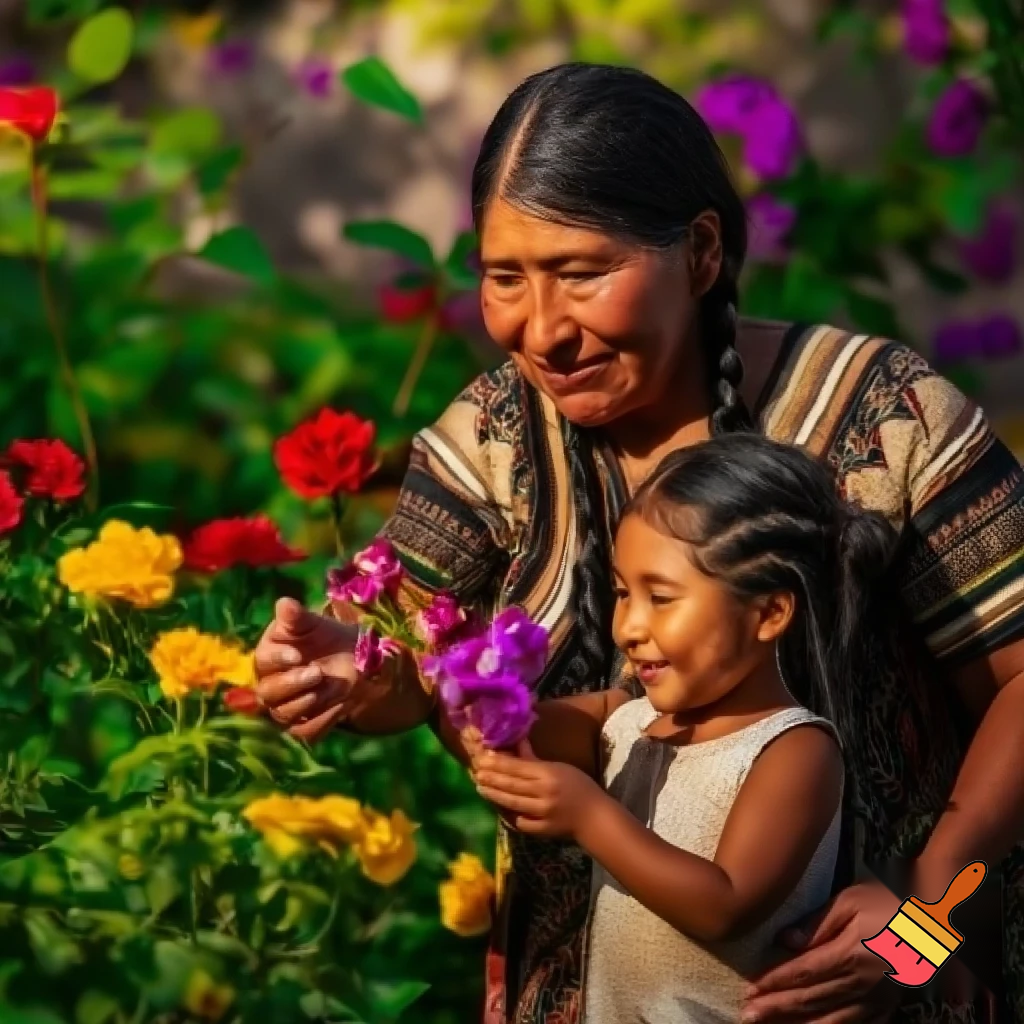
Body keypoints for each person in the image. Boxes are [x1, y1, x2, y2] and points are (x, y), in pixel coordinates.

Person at [253, 62, 1024, 1024]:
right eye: (505, 279)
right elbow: (412, 668)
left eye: (582, 274)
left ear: (701, 253)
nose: (542, 332)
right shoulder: (490, 440)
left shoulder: (882, 416)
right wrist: (355, 669)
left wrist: (925, 926)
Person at [470, 434, 871, 1022]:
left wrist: (588, 813)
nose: (628, 626)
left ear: (768, 614)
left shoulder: (793, 749)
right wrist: (463, 691)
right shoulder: (628, 719)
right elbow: (525, 729)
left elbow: (724, 906)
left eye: (660, 597)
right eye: (622, 593)